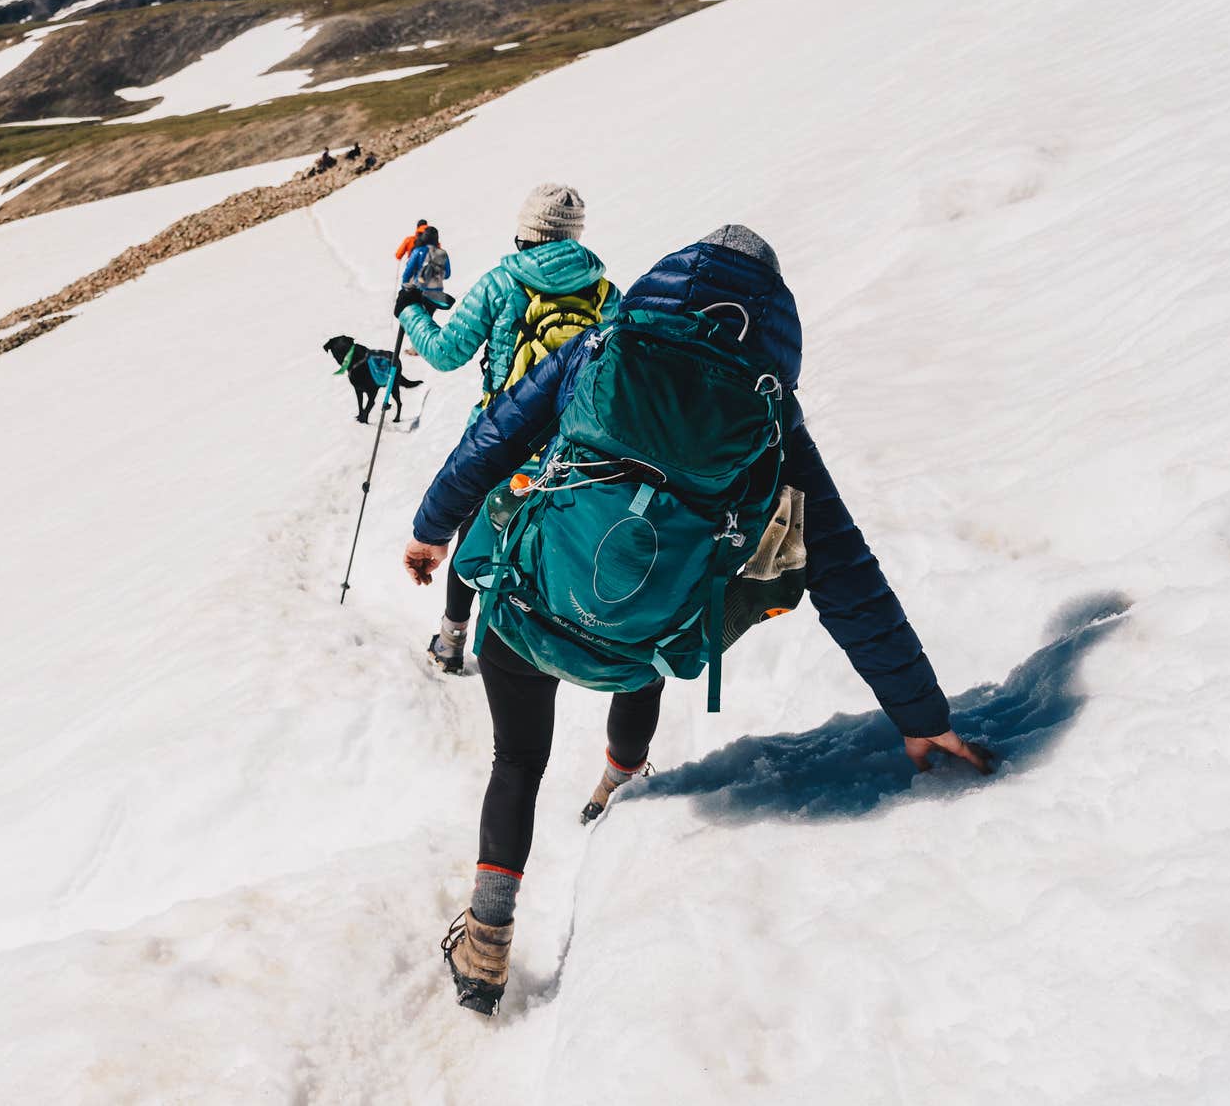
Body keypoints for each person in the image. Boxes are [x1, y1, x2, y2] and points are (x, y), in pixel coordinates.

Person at [403, 225, 991, 1016]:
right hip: (641, 641)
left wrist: (431, 529)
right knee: (646, 644)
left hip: (526, 607)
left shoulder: (604, 346)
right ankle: (617, 778)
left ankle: (486, 942)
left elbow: (493, 437)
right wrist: (920, 716)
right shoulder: (772, 413)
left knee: (516, 762)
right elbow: (846, 573)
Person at [393, 183, 616, 674]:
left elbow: (446, 352)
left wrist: (409, 308)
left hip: (500, 442)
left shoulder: (501, 283)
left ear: (526, 233)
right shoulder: (604, 292)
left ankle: (451, 641)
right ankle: (547, 645)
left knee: (475, 538)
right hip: (572, 448)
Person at [399, 225, 451, 292]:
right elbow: (447, 274)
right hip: (438, 291)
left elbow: (408, 271)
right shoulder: (443, 253)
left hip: (420, 289)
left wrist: (404, 287)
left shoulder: (418, 251)